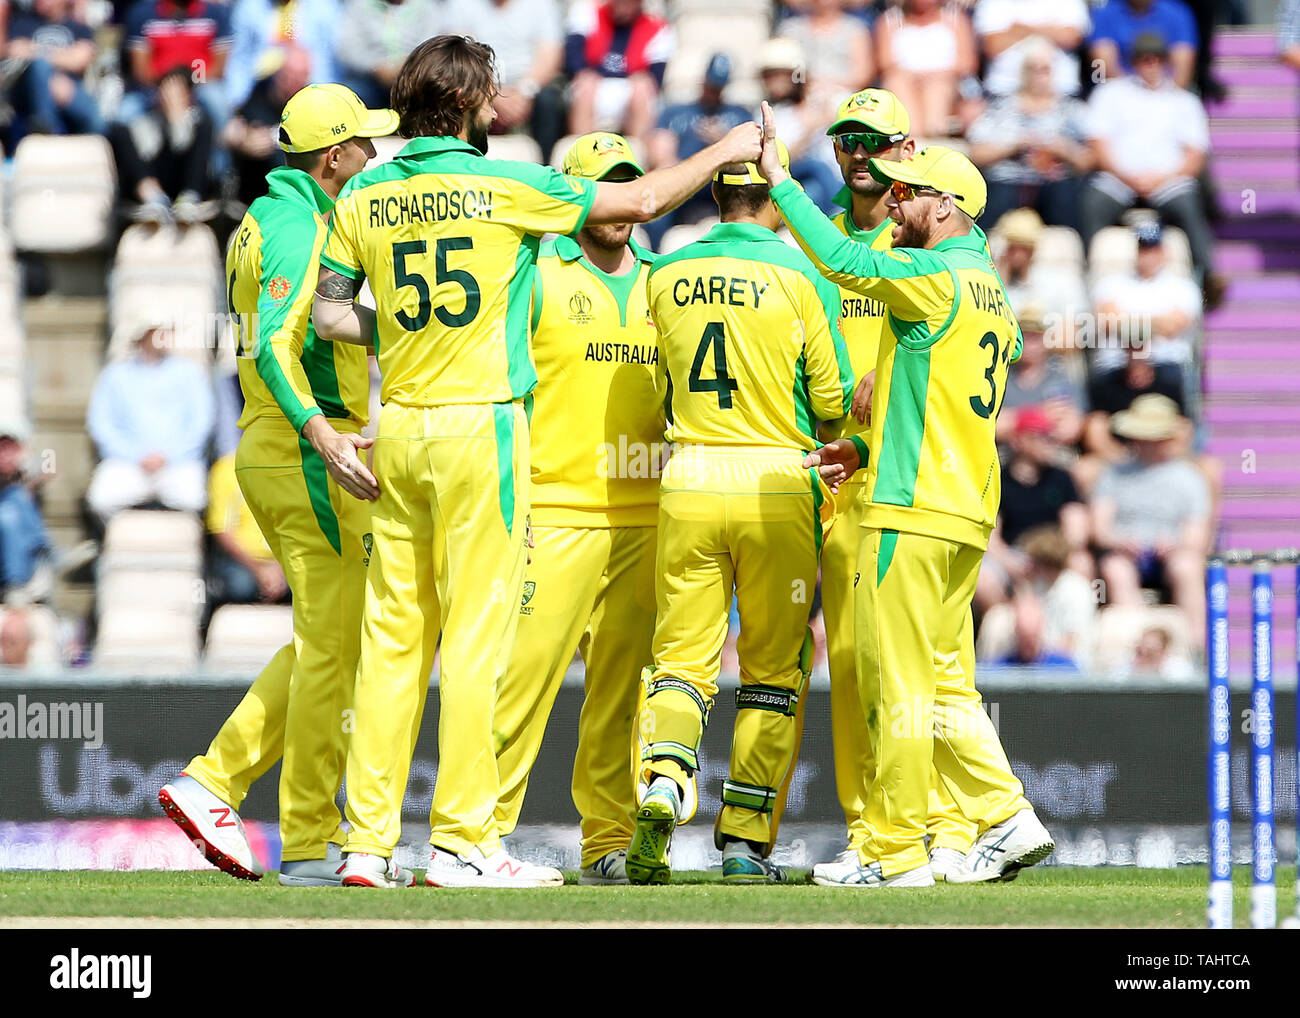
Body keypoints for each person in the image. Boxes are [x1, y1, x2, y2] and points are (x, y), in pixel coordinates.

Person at [310, 34, 762, 889]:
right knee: (477, 645)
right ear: (475, 101)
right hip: (483, 429)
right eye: (492, 96)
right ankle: (463, 844)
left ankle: (366, 846)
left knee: (392, 644)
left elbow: (331, 317)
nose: (498, 107)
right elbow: (648, 198)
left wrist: (406, 337)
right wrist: (731, 148)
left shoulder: (363, 192)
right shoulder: (503, 183)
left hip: (398, 421)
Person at [758, 109, 1055, 886]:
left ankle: (893, 853)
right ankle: (1007, 816)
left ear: (946, 206)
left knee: (899, 687)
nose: (894, 202)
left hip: (909, 508)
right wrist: (861, 443)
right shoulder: (987, 286)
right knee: (946, 679)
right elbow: (940, 390)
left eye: (910, 194)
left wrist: (782, 185)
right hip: (964, 514)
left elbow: (841, 262)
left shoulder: (931, 279)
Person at [158, 83, 397, 888]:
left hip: (273, 444)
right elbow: (276, 350)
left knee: (331, 642)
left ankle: (302, 843)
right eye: (366, 144)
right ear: (335, 156)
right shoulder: (300, 226)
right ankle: (222, 784)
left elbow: (291, 333)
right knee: (335, 647)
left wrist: (404, 321)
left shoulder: (270, 216)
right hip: (302, 447)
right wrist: (323, 433)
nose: (374, 155)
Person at [628, 137, 853, 885]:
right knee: (771, 672)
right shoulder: (802, 272)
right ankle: (745, 844)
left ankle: (663, 781)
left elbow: (658, 379)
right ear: (775, 198)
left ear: (718, 195)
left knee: (680, 664)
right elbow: (830, 402)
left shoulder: (667, 271)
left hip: (687, 476)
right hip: (777, 483)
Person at [814, 86, 977, 881]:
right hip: (842, 468)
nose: (858, 153)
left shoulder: (925, 252)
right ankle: (870, 828)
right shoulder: (819, 239)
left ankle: (942, 829)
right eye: (846, 138)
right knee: (855, 663)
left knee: (927, 664)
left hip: (909, 478)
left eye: (874, 140)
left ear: (907, 151)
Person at [489, 133, 660, 887]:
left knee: (623, 698)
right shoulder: (537, 271)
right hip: (552, 510)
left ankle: (608, 844)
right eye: (603, 184)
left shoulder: (666, 282)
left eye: (628, 182)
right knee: (517, 685)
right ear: (575, 192)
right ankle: (476, 832)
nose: (618, 200)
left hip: (644, 517)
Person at [1080, 31, 1215, 290]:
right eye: (1144, 59)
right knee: (1092, 203)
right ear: (1134, 61)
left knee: (1189, 205)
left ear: (1165, 62)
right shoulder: (1110, 94)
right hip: (1118, 178)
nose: (1150, 64)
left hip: (1168, 181)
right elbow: (1097, 144)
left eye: (1156, 59)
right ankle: (1087, 269)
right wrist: (1127, 176)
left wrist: (1163, 178)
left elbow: (1196, 155)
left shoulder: (1184, 100)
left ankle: (1207, 274)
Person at [1090, 393, 1210, 647]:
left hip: (1172, 554)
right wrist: (1119, 541)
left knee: (1187, 568)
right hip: (1125, 553)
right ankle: (1136, 645)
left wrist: (1174, 544)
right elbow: (1100, 529)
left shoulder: (1190, 478)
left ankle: (1194, 647)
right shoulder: (1113, 474)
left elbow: (1197, 537)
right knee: (1116, 569)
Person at [86, 321, 215, 526]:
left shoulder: (190, 373)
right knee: (101, 500)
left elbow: (201, 424)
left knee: (195, 499)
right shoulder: (115, 375)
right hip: (128, 463)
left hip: (178, 463)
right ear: (141, 336)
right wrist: (137, 456)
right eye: (155, 332)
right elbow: (101, 425)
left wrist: (169, 455)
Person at [968, 35, 1093, 234]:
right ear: (1023, 71)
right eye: (1033, 69)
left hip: (1055, 183)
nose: (1039, 76)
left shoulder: (1072, 110)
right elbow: (976, 153)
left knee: (1067, 197)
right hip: (1007, 182)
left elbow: (1088, 160)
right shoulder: (1001, 107)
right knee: (995, 196)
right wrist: (1014, 146)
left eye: (1045, 69)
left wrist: (1061, 148)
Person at [441, 0, 566, 160]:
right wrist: (493, 94)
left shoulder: (542, 4)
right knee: (457, 96)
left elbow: (550, 55)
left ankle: (545, 166)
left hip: (530, 86)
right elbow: (458, 57)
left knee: (549, 102)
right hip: (478, 82)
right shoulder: (461, 4)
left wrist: (524, 91)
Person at [647, 53, 752, 239]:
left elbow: (751, 155)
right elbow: (659, 152)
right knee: (659, 193)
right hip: (685, 180)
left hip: (724, 183)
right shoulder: (677, 112)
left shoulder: (739, 114)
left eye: (718, 87)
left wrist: (723, 141)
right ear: (703, 81)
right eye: (711, 85)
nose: (713, 92)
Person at [109, 65, 219, 224]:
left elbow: (180, 145)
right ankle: (153, 198)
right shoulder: (146, 123)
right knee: (122, 133)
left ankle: (189, 199)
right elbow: (146, 154)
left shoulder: (200, 123)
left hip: (184, 184)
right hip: (153, 186)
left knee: (203, 129)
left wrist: (176, 119)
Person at [564, 0, 673, 144]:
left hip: (630, 89)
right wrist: (583, 73)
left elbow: (655, 77)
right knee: (585, 84)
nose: (623, 5)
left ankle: (636, 153)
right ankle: (582, 149)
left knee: (643, 87)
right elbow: (573, 60)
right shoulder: (590, 12)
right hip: (594, 85)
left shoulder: (657, 27)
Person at [874, 0, 979, 138]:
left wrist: (935, 75)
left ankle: (933, 134)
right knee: (896, 83)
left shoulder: (955, 19)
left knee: (937, 88)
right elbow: (885, 63)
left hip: (946, 80)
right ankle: (913, 135)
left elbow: (967, 63)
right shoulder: (890, 20)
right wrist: (913, 76)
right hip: (905, 79)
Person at [3, 0, 104, 137]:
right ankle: (47, 130)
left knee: (98, 121)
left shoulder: (78, 28)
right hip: (28, 92)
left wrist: (35, 50)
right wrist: (53, 72)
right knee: (40, 67)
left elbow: (80, 59)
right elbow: (14, 50)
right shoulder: (22, 23)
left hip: (69, 88)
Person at [971, 0, 1090, 99]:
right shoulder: (993, 3)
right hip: (1004, 90)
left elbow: (1071, 38)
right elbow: (992, 45)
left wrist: (1019, 29)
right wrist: (1050, 30)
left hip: (1061, 91)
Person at [1089, 0, 1197, 90]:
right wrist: (1134, 98)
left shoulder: (1177, 13)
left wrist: (1162, 98)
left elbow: (1182, 72)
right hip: (1118, 96)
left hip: (1166, 96)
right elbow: (1101, 65)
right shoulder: (1104, 14)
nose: (1149, 64)